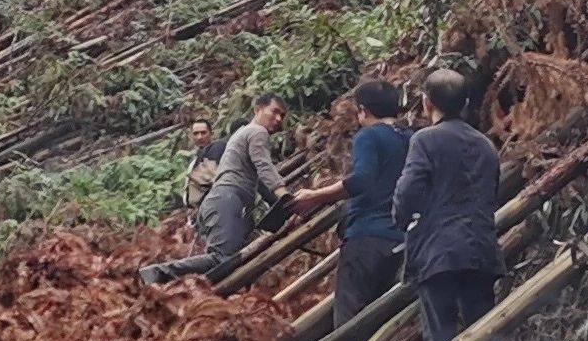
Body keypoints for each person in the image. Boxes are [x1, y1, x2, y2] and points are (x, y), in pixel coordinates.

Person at [388, 63, 503, 341]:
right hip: (482, 248)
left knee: (440, 333)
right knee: (482, 327)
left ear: (426, 102)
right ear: (467, 103)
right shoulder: (487, 145)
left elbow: (407, 193)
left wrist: (404, 217)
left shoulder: (425, 140)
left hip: (438, 248)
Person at [146, 96, 304, 284]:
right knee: (223, 258)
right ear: (258, 109)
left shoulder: (241, 134)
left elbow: (259, 177)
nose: (278, 119)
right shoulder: (257, 132)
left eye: (282, 115)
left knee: (222, 265)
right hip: (226, 199)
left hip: (218, 202)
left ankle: (193, 291)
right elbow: (264, 166)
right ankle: (156, 274)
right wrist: (285, 197)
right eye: (274, 112)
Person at [330, 80, 413, 327]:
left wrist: (315, 196)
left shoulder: (368, 136)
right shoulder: (411, 137)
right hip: (401, 238)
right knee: (384, 317)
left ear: (363, 110)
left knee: (349, 319)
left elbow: (362, 179)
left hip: (366, 238)